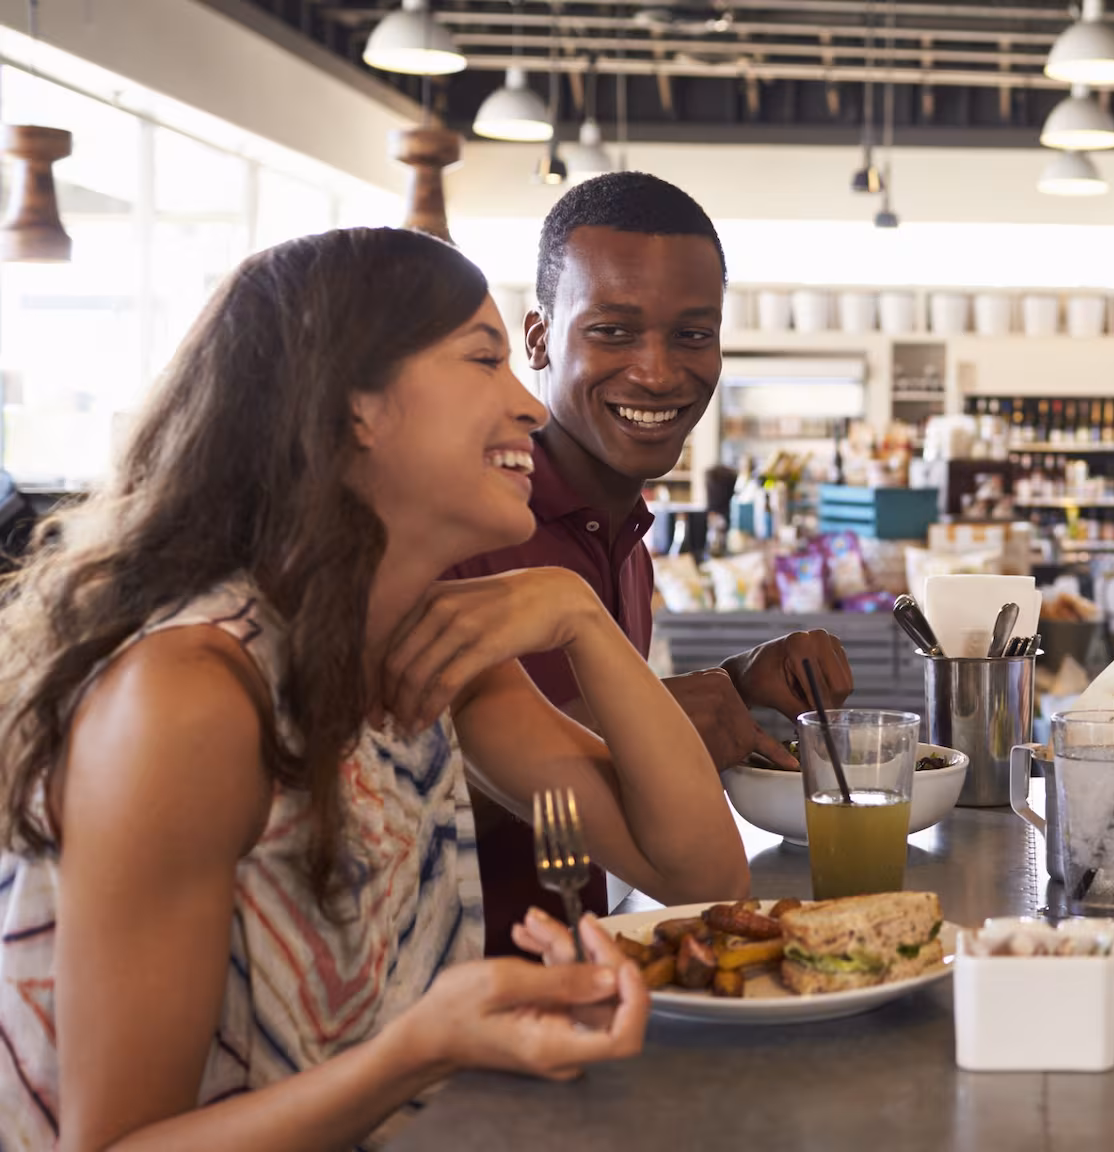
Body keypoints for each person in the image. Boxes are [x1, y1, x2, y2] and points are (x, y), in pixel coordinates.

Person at [0, 227, 751, 1148]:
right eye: (484, 360)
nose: (525, 405)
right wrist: (420, 1051)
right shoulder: (190, 697)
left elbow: (701, 875)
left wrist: (580, 616)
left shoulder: (419, 645)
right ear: (354, 402)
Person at [447, 172, 851, 954]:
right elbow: (399, 786)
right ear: (536, 339)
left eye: (693, 335)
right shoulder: (465, 525)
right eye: (614, 331)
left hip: (589, 979)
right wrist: (645, 723)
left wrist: (735, 683)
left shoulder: (626, 533)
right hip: (460, 1000)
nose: (660, 372)